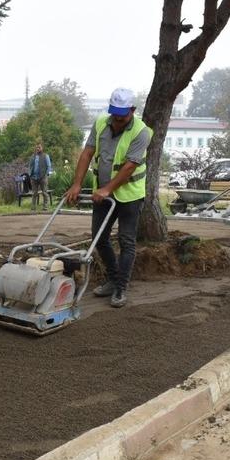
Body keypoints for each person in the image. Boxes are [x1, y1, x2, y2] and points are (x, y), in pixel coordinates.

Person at [63, 87, 152, 308]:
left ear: (132, 110)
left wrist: (108, 189)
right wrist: (77, 184)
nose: (117, 120)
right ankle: (112, 279)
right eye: (115, 115)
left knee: (126, 240)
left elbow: (130, 166)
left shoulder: (142, 132)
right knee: (99, 239)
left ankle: (121, 287)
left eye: (122, 116)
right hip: (102, 194)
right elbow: (87, 153)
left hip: (130, 196)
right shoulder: (101, 123)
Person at [29, 143, 52, 211]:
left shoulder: (46, 156)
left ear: (42, 148)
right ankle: (33, 208)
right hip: (34, 177)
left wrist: (46, 175)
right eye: (37, 147)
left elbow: (49, 166)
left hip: (43, 177)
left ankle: (45, 207)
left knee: (44, 192)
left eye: (39, 147)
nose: (38, 148)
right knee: (34, 193)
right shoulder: (33, 156)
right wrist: (30, 174)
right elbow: (30, 165)